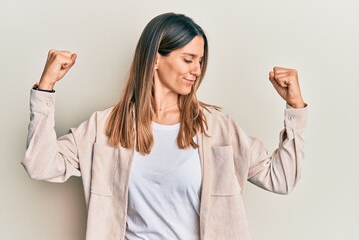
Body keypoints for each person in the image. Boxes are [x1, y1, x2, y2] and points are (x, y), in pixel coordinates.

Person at [22, 12, 307, 240]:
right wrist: (45, 89)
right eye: (188, 59)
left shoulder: (217, 128)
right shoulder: (106, 127)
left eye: (200, 60)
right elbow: (40, 164)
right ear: (157, 59)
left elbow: (280, 179)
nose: (197, 69)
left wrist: (295, 108)